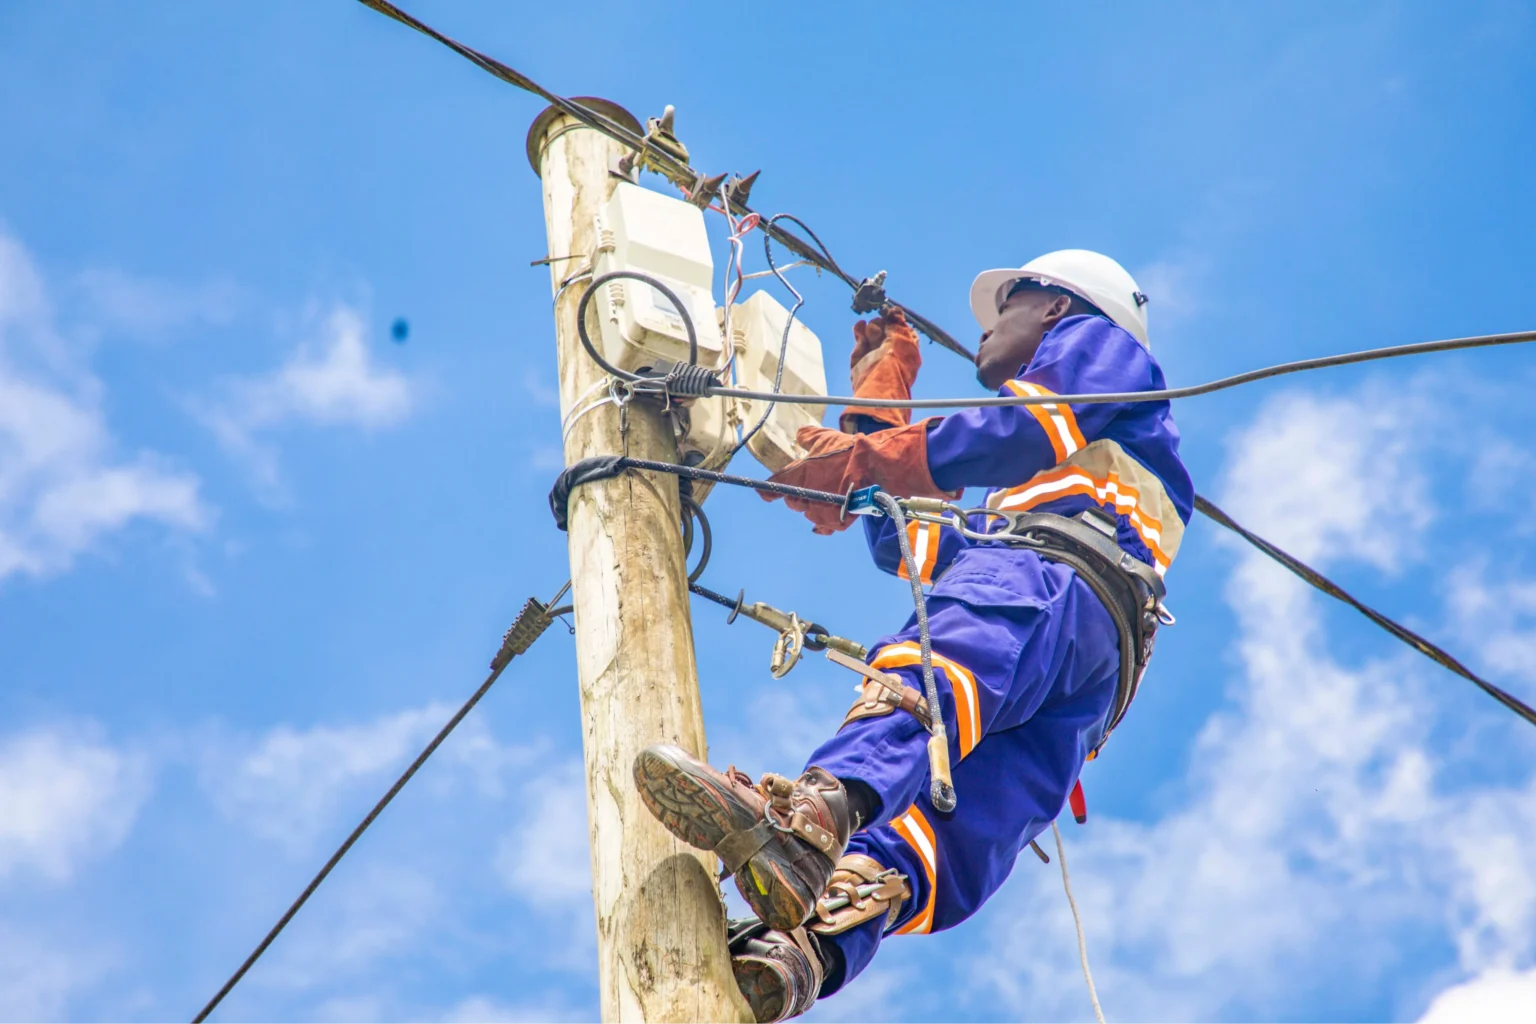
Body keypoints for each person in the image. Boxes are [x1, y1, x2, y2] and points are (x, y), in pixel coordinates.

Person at [634, 250, 1193, 1022]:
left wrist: (866, 458)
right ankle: (802, 953)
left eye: (1006, 307)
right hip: (1093, 676)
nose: (986, 331)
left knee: (928, 674)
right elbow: (908, 537)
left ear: (1056, 307)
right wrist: (879, 396)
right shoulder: (1042, 488)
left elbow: (1021, 431)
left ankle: (810, 822)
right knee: (943, 831)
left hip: (1049, 586)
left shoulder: (1102, 349)